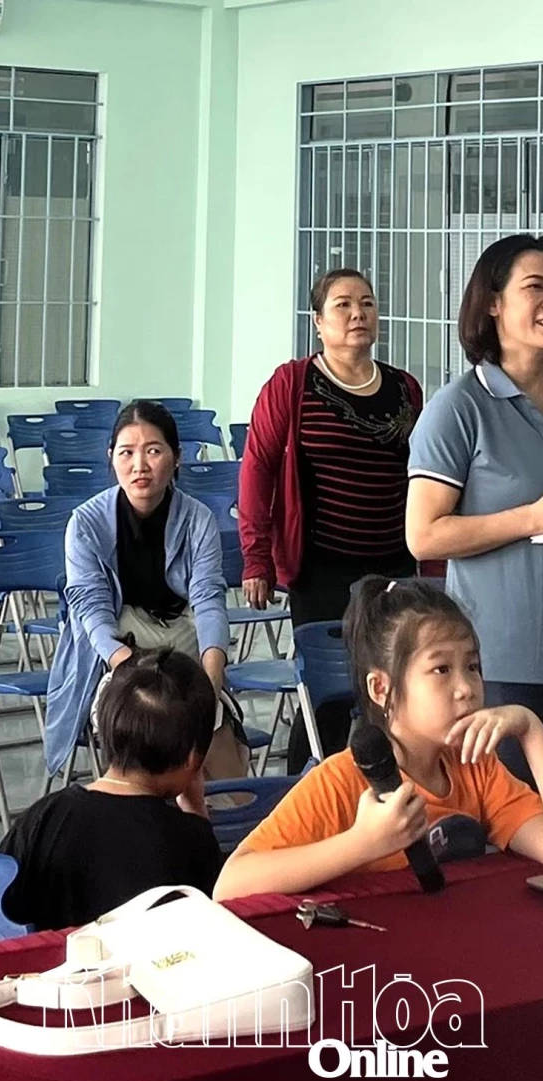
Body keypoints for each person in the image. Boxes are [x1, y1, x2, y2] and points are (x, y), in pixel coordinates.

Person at [214, 577, 543, 900]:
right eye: (441, 669)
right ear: (381, 688)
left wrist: (530, 729)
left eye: (472, 666)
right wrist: (362, 843)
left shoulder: (477, 767)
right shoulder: (342, 781)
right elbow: (230, 884)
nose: (466, 688)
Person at [406, 233, 543, 798]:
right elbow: (424, 536)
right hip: (499, 658)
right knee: (509, 821)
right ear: (493, 303)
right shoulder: (458, 408)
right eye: (536, 288)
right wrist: (535, 518)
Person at [239, 268, 423, 769]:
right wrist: (256, 558)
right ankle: (306, 793)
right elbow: (257, 469)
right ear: (318, 321)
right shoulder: (293, 383)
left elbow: (421, 472)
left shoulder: (405, 388)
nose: (358, 313)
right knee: (331, 698)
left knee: (395, 691)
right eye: (343, 304)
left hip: (393, 562)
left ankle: (384, 795)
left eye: (367, 303)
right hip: (320, 566)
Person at [45, 401, 250, 784]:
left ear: (177, 457)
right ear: (111, 458)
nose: (139, 465)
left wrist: (211, 680)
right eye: (126, 452)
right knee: (144, 718)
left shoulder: (198, 518)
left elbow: (208, 598)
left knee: (212, 725)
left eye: (153, 450)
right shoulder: (85, 523)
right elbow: (91, 608)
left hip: (182, 638)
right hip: (116, 647)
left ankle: (232, 810)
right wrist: (131, 670)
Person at [0, 647, 224, 929]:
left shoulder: (43, 817)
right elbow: (214, 918)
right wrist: (196, 810)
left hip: (59, 959)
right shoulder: (191, 839)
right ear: (193, 759)